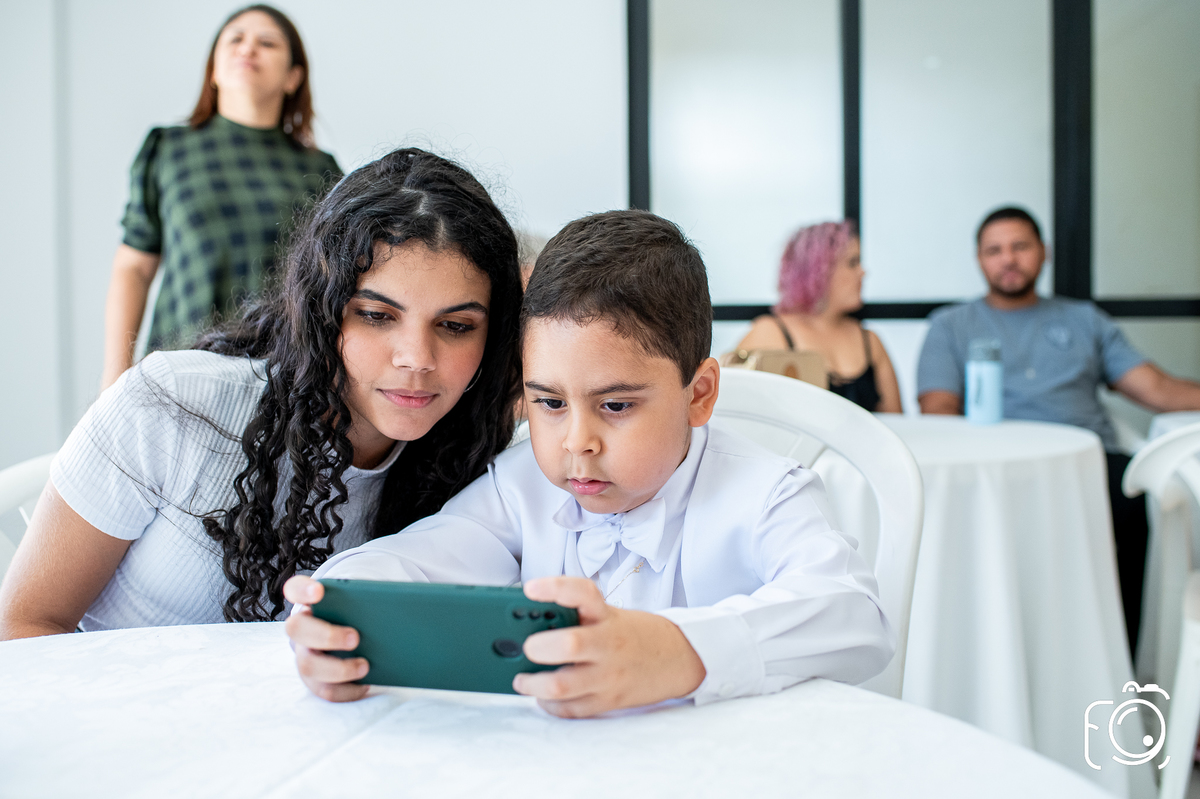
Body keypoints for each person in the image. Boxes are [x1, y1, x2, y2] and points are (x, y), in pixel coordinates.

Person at [283, 210, 893, 717]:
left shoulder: (767, 494)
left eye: (617, 404)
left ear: (699, 394)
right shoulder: (521, 485)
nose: (577, 442)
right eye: (548, 402)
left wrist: (678, 651)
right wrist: (344, 608)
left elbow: (854, 613)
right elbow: (420, 557)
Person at [0, 148, 522, 638]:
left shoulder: (474, 462)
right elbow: (21, 628)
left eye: (455, 326)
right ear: (321, 307)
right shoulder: (170, 406)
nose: (417, 358)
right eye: (376, 315)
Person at [917, 205, 1200, 652]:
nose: (1008, 259)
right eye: (994, 250)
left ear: (1043, 252)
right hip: (995, 463)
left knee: (1133, 499)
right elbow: (938, 410)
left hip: (1090, 460)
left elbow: (1158, 390)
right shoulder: (950, 326)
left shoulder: (1084, 320)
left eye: (1020, 246)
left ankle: (1115, 659)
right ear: (979, 260)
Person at [101, 4, 341, 389]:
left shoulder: (321, 169)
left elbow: (332, 286)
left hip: (282, 378)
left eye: (267, 43)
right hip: (179, 374)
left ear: (293, 77)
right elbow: (134, 268)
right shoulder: (168, 149)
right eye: (235, 39)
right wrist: (113, 377)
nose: (248, 49)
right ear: (213, 69)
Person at [735, 221, 902, 412]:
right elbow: (732, 409)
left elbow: (898, 426)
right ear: (819, 271)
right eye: (852, 263)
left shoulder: (871, 341)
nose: (863, 272)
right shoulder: (770, 333)